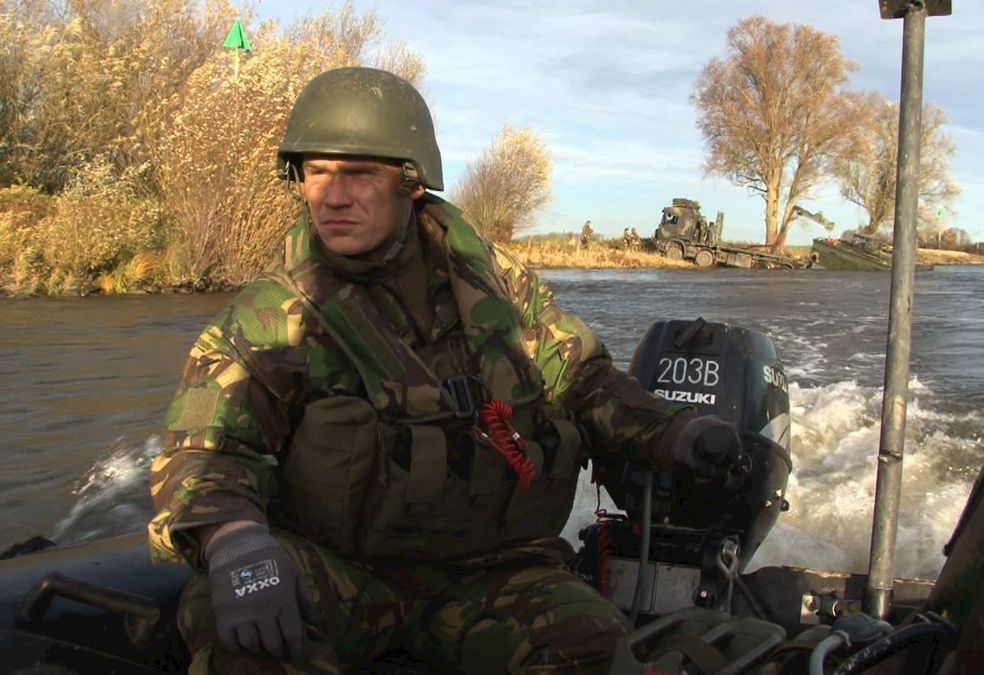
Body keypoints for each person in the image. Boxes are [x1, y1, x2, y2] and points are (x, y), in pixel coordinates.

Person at [146, 66, 745, 674]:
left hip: (493, 573)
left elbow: (580, 378)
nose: (332, 196)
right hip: (346, 572)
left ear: (410, 182)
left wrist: (677, 430)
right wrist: (236, 542)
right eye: (317, 172)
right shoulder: (271, 318)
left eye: (359, 174)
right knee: (228, 619)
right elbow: (203, 452)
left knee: (595, 650)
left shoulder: (493, 282)